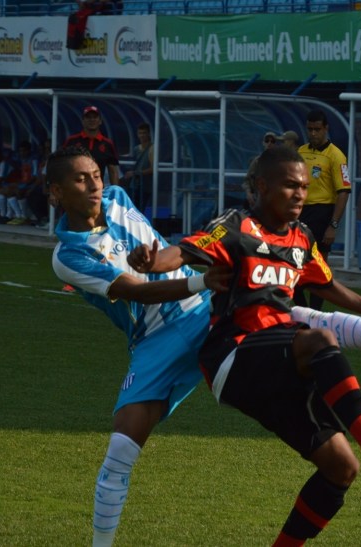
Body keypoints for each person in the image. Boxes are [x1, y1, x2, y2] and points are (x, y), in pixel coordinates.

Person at [129, 146, 361, 545]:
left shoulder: (301, 237)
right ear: (262, 186)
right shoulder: (237, 225)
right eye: (291, 185)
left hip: (279, 367)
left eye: (305, 187)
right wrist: (152, 262)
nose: (300, 195)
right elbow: (185, 251)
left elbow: (326, 284)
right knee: (319, 339)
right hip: (234, 356)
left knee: (340, 468)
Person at [47, 145, 230, 547]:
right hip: (156, 341)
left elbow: (153, 252)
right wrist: (202, 279)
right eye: (81, 179)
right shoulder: (68, 255)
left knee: (286, 328)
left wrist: (166, 264)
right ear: (56, 192)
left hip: (202, 310)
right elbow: (136, 291)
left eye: (96, 175)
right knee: (120, 448)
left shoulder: (118, 196)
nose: (95, 185)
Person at [295, 109, 351, 311]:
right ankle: (302, 311)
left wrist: (333, 225)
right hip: (300, 213)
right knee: (293, 264)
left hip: (322, 213)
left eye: (317, 129)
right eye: (310, 129)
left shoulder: (336, 156)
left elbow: (343, 191)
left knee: (318, 268)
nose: (313, 133)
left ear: (326, 128)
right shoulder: (300, 152)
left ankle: (315, 314)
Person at [63, 106, 120, 188]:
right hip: (75, 189)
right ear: (83, 121)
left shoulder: (107, 144)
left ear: (100, 121)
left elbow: (113, 171)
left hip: (97, 189)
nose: (92, 120)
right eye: (88, 117)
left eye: (95, 117)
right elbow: (62, 166)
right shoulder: (72, 141)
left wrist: (115, 192)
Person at [121, 122, 154, 210]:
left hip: (146, 185)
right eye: (140, 133)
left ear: (149, 134)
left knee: (140, 208)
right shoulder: (136, 149)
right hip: (135, 184)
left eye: (144, 133)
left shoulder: (152, 148)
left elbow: (153, 169)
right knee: (132, 208)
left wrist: (135, 173)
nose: (142, 135)